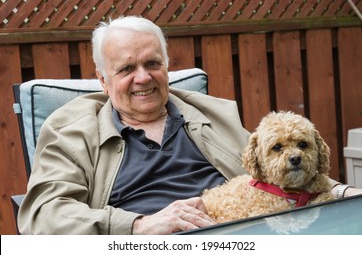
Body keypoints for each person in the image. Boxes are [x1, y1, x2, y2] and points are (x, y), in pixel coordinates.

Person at [18, 16, 361, 235]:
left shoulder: (212, 113)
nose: (143, 77)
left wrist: (344, 192)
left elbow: (277, 170)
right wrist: (138, 225)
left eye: (153, 63)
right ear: (103, 80)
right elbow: (43, 216)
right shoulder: (69, 130)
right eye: (126, 69)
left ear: (166, 67)